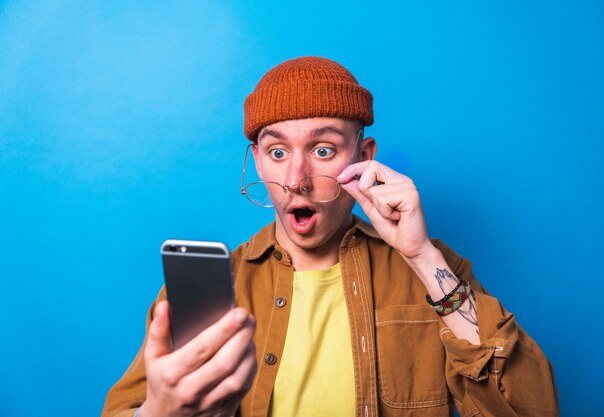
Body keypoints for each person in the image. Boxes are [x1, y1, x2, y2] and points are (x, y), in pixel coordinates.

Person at [102, 57, 559, 417]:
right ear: (258, 162)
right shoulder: (212, 290)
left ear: (363, 157)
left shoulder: (436, 273)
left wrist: (420, 256)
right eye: (277, 151)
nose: (297, 179)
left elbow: (529, 408)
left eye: (323, 150)